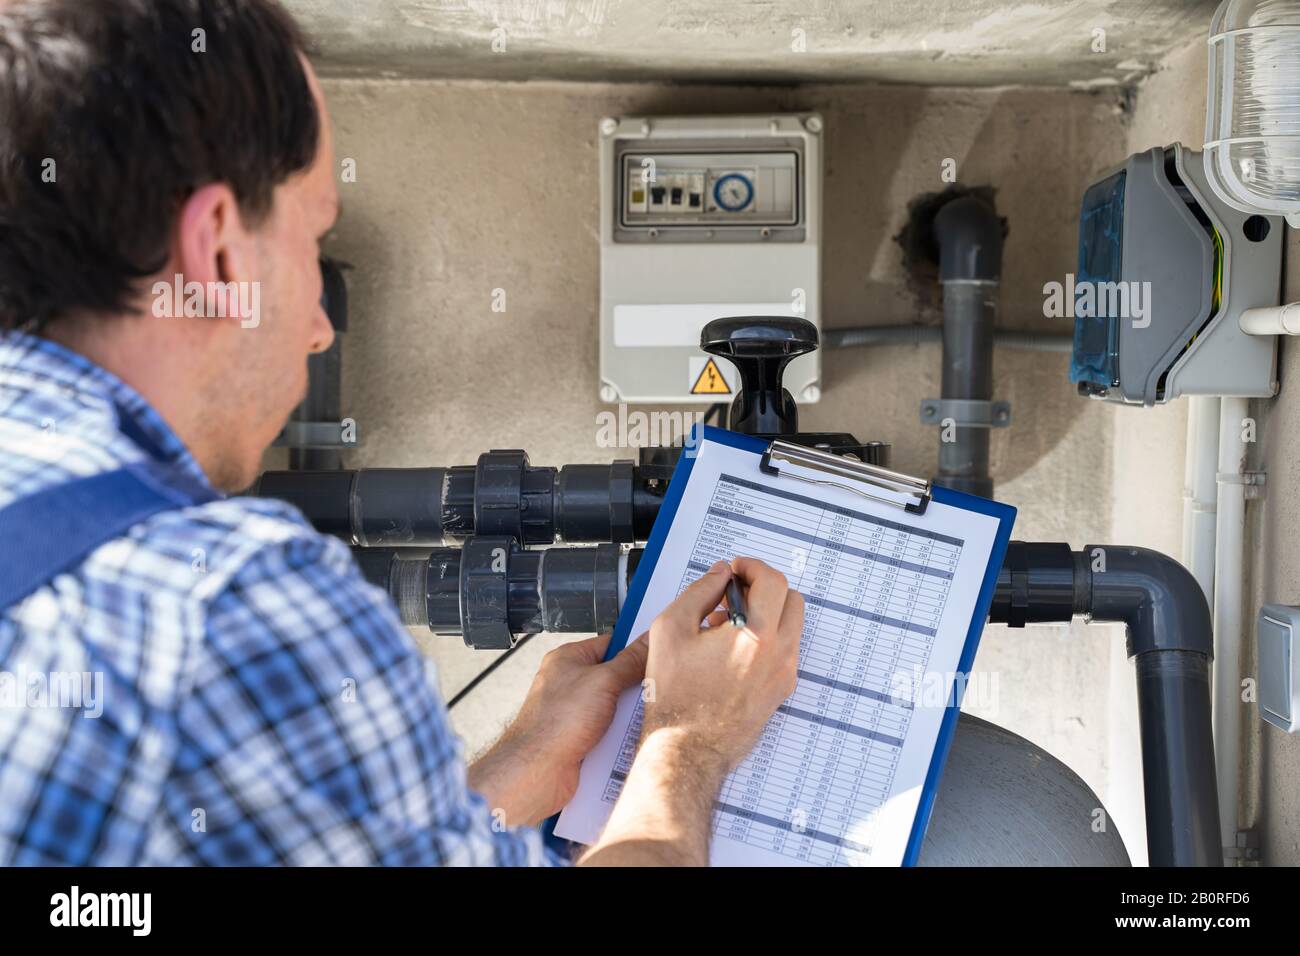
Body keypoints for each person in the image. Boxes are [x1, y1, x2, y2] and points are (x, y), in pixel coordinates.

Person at [0, 0, 805, 866]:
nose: (317, 326)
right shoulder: (227, 605)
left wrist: (530, 755)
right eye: (314, 235)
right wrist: (691, 740)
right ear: (220, 256)